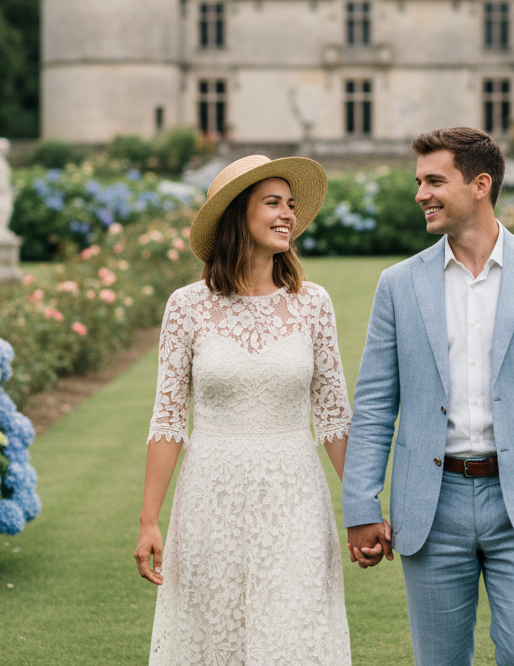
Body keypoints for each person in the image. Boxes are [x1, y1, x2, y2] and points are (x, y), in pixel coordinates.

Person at [342, 127, 514, 666]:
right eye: (419, 182)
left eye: (435, 180)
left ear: (481, 184)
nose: (420, 194)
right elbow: (372, 406)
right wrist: (361, 505)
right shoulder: (398, 284)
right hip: (430, 507)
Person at [135, 154, 353, 666]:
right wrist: (149, 519)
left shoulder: (313, 303)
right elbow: (168, 418)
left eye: (291, 205)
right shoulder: (186, 306)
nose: (287, 215)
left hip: (293, 496)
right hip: (211, 496)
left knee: (292, 638)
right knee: (215, 640)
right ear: (238, 214)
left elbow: (334, 415)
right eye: (272, 203)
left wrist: (364, 509)